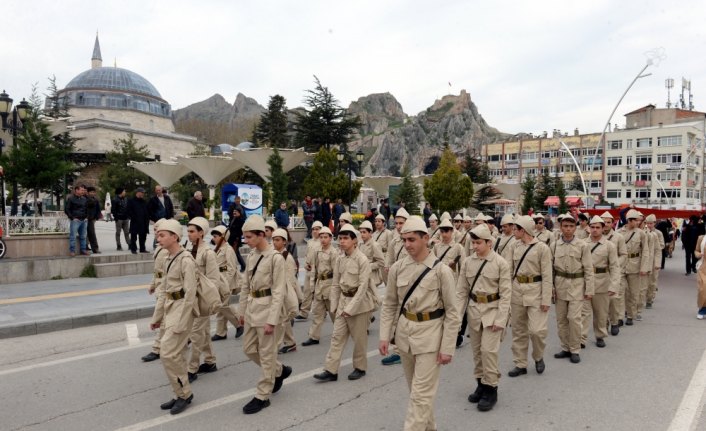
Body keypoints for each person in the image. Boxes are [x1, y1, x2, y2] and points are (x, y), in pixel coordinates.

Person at [379, 216, 461, 430]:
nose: (407, 245)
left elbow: (453, 313)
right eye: (404, 240)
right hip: (405, 337)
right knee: (418, 394)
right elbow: (389, 304)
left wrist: (448, 347)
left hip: (431, 338)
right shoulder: (397, 268)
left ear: (426, 238)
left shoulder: (441, 271)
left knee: (420, 396)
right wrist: (384, 335)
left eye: (412, 239)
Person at [238, 215, 292, 414]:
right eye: (245, 237)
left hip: (268, 310)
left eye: (250, 237)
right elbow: (246, 286)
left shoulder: (275, 258)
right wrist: (241, 311)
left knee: (267, 355)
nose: (246, 240)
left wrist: (272, 320)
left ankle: (263, 395)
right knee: (249, 349)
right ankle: (279, 371)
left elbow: (279, 291)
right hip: (253, 309)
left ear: (262, 235)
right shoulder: (252, 255)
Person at [457, 224, 511, 412]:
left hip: (493, 312)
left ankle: (491, 389)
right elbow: (461, 291)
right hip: (474, 312)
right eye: (473, 242)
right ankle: (480, 383)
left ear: (489, 242)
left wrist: (501, 320)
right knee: (478, 352)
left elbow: (506, 294)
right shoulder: (468, 262)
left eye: (478, 243)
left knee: (489, 352)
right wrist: (456, 318)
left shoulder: (500, 263)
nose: (474, 246)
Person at [314, 224, 377, 382]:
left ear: (354, 241)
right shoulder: (340, 259)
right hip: (343, 302)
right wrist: (335, 306)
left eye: (345, 238)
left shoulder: (362, 260)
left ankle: (360, 367)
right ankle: (331, 370)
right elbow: (335, 284)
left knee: (359, 339)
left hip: (360, 305)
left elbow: (363, 288)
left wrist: (351, 308)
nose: (341, 241)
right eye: (340, 238)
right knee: (337, 337)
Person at [151, 219, 198, 415]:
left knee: (168, 353)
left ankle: (184, 394)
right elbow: (164, 291)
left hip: (181, 311)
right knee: (172, 355)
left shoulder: (186, 260)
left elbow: (190, 294)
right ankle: (181, 392)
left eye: (162, 235)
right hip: (171, 308)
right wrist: (157, 317)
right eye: (157, 235)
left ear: (175, 237)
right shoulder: (168, 258)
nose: (158, 238)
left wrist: (183, 321)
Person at [507, 215, 553, 377]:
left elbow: (547, 275)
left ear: (524, 230)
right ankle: (520, 363)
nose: (513, 231)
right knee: (519, 330)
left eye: (516, 229)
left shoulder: (542, 248)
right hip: (517, 291)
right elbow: (508, 271)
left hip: (536, 291)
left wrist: (546, 299)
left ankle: (538, 356)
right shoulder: (513, 246)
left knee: (536, 331)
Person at [550, 213, 594, 365]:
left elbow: (588, 269)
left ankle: (575, 349)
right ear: (560, 227)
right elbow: (550, 269)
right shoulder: (554, 245)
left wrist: (589, 290)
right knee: (561, 320)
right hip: (560, 285)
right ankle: (565, 347)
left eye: (571, 226)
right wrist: (551, 288)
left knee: (574, 319)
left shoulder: (583, 245)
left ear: (575, 228)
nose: (568, 229)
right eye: (565, 226)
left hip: (577, 285)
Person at [185, 217, 223, 382]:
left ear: (201, 233)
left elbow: (214, 281)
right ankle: (210, 361)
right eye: (188, 231)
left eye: (192, 231)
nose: (189, 234)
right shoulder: (187, 250)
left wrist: (209, 302)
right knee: (204, 332)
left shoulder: (208, 253)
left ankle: (191, 369)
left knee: (195, 334)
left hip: (202, 300)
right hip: (190, 298)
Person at [581, 216, 619, 349]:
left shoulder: (609, 246)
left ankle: (600, 336)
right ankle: (581, 338)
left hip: (602, 281)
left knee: (601, 313)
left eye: (598, 227)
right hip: (585, 282)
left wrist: (614, 285)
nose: (595, 230)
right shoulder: (582, 244)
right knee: (583, 313)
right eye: (592, 227)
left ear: (603, 228)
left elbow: (614, 266)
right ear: (589, 228)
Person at [381, 206, 410, 366]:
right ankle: (399, 350)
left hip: (411, 285)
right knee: (396, 317)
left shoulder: (413, 239)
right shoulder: (394, 241)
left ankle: (401, 350)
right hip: (397, 283)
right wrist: (387, 268)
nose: (399, 226)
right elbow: (389, 259)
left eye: (401, 223)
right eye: (397, 223)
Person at [302, 226, 338, 346]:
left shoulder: (334, 252)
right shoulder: (316, 251)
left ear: (330, 238)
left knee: (334, 312)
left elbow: (337, 273)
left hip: (330, 284)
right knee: (317, 313)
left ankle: (340, 333)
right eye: (321, 237)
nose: (323, 239)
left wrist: (335, 290)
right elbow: (314, 270)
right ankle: (314, 337)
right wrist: (312, 286)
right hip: (319, 285)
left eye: (325, 237)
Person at [210, 225, 244, 342]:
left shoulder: (228, 249)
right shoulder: (217, 249)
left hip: (225, 280)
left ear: (223, 237)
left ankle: (239, 323)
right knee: (220, 309)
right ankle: (221, 332)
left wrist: (227, 284)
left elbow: (232, 268)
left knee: (223, 306)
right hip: (218, 280)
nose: (213, 239)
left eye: (215, 236)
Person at [142, 219, 169, 363]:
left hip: (166, 287)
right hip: (159, 284)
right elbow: (157, 270)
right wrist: (153, 284)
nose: (156, 232)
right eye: (155, 229)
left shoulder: (168, 250)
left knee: (163, 320)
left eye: (159, 230)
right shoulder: (159, 247)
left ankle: (157, 348)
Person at [618, 209, 650, 325]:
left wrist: (643, 267)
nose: (638, 222)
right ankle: (620, 316)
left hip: (635, 264)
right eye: (636, 220)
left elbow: (645, 251)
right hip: (621, 264)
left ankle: (631, 315)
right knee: (620, 292)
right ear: (629, 220)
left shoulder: (641, 233)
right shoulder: (619, 232)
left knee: (633, 292)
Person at [272, 228, 301, 354]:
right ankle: (290, 343)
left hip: (283, 293)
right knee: (283, 319)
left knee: (280, 321)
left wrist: (284, 295)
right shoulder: (273, 255)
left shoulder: (287, 257)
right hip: (275, 292)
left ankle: (274, 347)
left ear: (284, 242)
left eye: (277, 240)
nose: (274, 242)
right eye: (273, 240)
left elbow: (290, 279)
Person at [601, 211, 628, 336]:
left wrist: (615, 264)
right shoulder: (594, 237)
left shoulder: (618, 237)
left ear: (613, 223)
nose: (606, 224)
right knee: (602, 301)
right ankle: (604, 324)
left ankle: (615, 321)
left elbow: (623, 254)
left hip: (614, 273)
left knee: (613, 299)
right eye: (604, 222)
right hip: (600, 275)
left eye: (608, 222)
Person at [295, 221, 323, 322]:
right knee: (307, 292)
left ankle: (322, 312)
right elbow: (307, 255)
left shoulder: (323, 242)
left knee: (319, 294)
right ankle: (303, 313)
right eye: (314, 229)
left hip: (319, 272)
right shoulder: (310, 242)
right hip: (309, 271)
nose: (315, 231)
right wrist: (306, 264)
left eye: (317, 229)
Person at [645, 214, 665, 309]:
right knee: (644, 280)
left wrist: (652, 248)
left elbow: (662, 245)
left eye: (651, 223)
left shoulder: (658, 233)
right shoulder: (643, 232)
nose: (649, 225)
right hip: (644, 260)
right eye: (647, 223)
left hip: (653, 259)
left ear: (654, 223)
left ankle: (650, 298)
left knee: (652, 280)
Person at [65, 184, 89, 257]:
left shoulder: (84, 199)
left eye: (83, 190)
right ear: (76, 190)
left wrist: (86, 217)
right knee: (73, 236)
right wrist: (72, 218)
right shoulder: (71, 199)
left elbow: (87, 209)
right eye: (81, 190)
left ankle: (83, 250)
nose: (83, 191)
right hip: (75, 220)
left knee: (83, 236)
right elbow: (67, 209)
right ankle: (72, 251)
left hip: (84, 220)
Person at [127, 188, 150, 254]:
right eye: (142, 192)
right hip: (135, 222)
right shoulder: (131, 201)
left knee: (143, 236)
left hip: (143, 222)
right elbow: (128, 211)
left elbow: (147, 211)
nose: (143, 194)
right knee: (134, 237)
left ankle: (142, 249)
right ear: (138, 193)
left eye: (143, 193)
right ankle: (133, 249)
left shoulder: (144, 201)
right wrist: (133, 217)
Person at [227, 207, 246, 271]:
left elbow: (240, 231)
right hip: (230, 239)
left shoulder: (241, 220)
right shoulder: (233, 219)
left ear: (239, 213)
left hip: (236, 240)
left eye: (236, 212)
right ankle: (238, 266)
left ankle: (243, 266)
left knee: (236, 254)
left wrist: (236, 238)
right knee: (234, 254)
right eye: (234, 211)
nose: (234, 213)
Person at [693, 234, 706, 319]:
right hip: (703, 267)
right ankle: (702, 309)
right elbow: (696, 251)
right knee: (703, 288)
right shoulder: (701, 238)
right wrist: (699, 254)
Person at [85, 186, 102, 254]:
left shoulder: (96, 200)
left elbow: (98, 209)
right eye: (91, 192)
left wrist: (97, 217)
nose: (92, 193)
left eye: (93, 192)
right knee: (83, 234)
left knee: (92, 234)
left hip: (91, 219)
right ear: (88, 192)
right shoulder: (84, 199)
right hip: (83, 218)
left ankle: (95, 248)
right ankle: (84, 247)